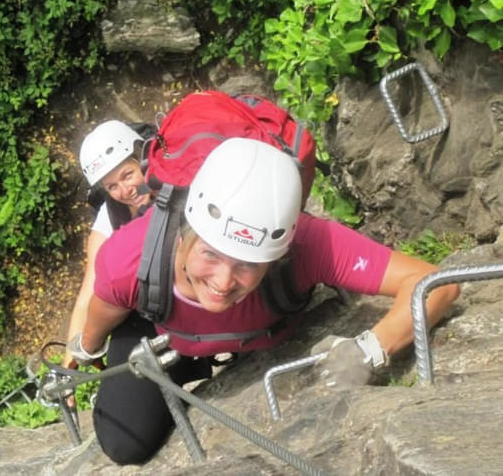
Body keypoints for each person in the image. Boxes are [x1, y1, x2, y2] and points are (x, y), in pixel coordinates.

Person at [68, 137, 460, 465]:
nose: (223, 282)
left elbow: (435, 284)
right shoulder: (131, 257)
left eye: (247, 264)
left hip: (251, 334)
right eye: (210, 255)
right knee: (125, 443)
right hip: (160, 333)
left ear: (277, 255)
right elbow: (101, 316)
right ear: (185, 231)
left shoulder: (309, 243)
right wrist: (85, 349)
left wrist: (372, 347)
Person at [63, 120, 152, 367]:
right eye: (112, 186)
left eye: (128, 174)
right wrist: (68, 367)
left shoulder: (174, 178)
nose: (126, 191)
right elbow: (88, 292)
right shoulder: (112, 214)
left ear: (142, 159)